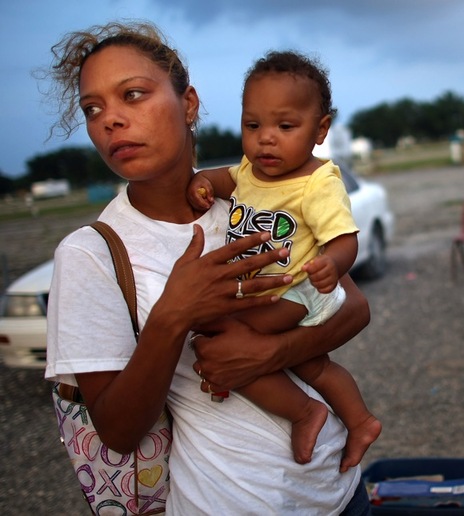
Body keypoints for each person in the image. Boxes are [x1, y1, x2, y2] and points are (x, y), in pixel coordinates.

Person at [42, 21, 373, 514]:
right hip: (229, 501)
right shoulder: (91, 254)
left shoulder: (249, 203)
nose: (110, 119)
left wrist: (268, 352)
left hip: (340, 493)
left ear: (189, 104)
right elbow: (117, 431)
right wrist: (174, 315)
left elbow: (353, 308)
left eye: (132, 95)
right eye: (93, 109)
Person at [186, 50, 380, 471]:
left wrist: (333, 264)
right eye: (252, 125)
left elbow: (345, 239)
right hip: (269, 294)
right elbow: (226, 178)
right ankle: (360, 420)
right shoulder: (250, 170)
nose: (265, 138)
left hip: (296, 292)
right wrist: (203, 181)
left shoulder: (316, 183)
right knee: (313, 365)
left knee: (224, 341)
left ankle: (303, 412)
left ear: (320, 129)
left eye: (285, 126)